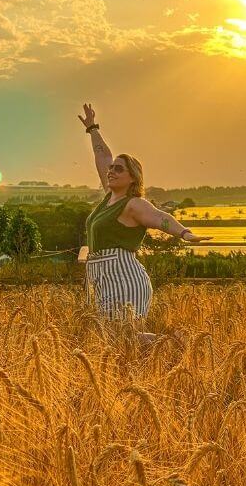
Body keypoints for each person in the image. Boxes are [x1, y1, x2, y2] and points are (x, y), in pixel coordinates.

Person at [77, 103, 212, 336]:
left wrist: (185, 233)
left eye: (118, 169)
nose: (111, 171)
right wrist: (93, 128)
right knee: (113, 342)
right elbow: (102, 155)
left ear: (132, 178)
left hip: (123, 277)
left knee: (125, 338)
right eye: (111, 169)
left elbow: (160, 218)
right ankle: (171, 347)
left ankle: (175, 345)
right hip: (100, 278)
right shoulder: (108, 198)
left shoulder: (133, 204)